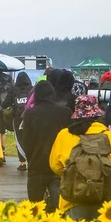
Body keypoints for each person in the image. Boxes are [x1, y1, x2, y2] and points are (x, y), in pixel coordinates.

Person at [49, 96, 111, 218]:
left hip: (71, 200)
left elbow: (54, 165)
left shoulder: (64, 135)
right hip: (103, 201)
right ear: (96, 115)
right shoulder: (107, 135)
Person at [20, 80, 71, 211]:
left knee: (35, 209)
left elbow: (26, 141)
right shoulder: (65, 112)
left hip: (36, 165)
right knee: (58, 209)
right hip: (59, 167)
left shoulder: (30, 114)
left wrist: (31, 159)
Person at [10, 71, 33, 171]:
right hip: (30, 118)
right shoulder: (31, 90)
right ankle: (32, 161)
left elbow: (6, 102)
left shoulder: (14, 91)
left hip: (18, 118)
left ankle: (22, 163)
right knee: (30, 139)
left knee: (19, 140)